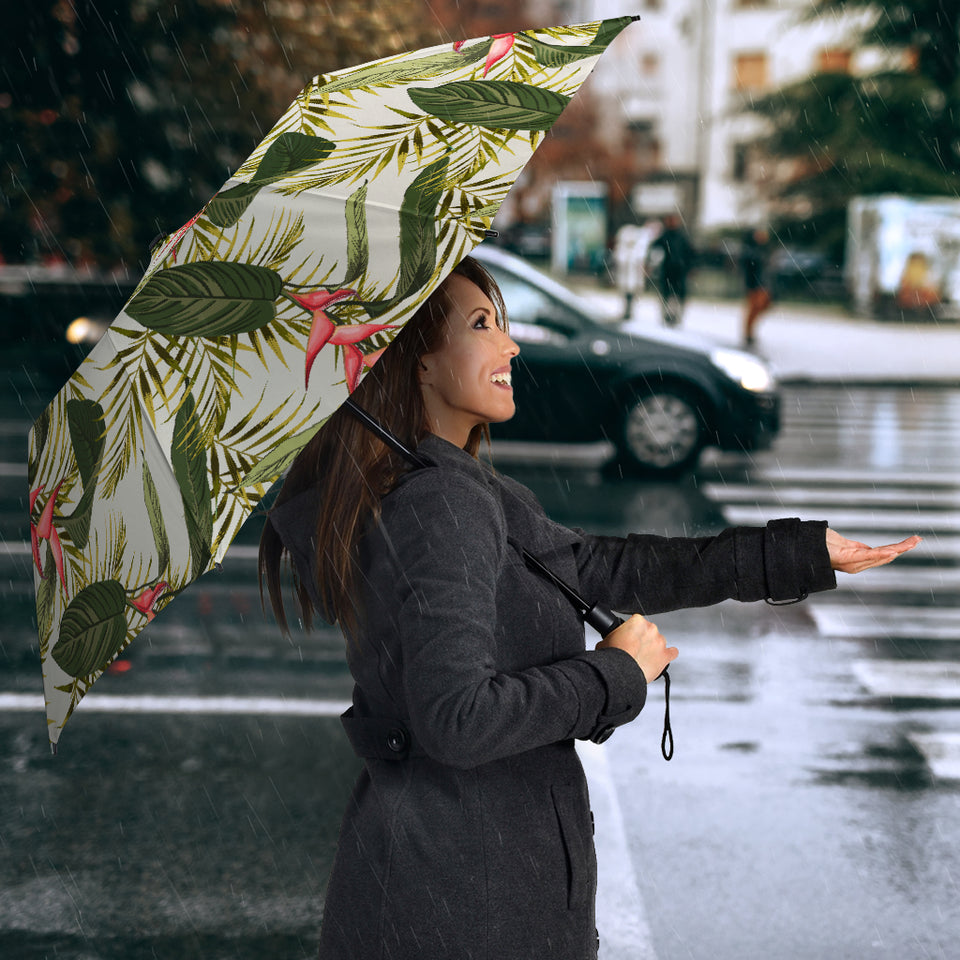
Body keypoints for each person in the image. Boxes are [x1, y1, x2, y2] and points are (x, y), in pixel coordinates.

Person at [259, 256, 920, 960]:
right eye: (482, 325)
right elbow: (457, 719)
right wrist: (613, 674)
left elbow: (602, 568)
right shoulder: (440, 504)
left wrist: (795, 554)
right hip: (464, 901)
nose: (510, 345)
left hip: (458, 882)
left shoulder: (453, 488)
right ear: (418, 362)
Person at [648, 213, 695, 327]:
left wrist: (690, 267)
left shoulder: (681, 237)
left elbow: (690, 253)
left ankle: (675, 316)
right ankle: (667, 315)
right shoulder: (665, 236)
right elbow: (654, 249)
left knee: (677, 295)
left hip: (679, 271)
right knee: (667, 294)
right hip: (668, 270)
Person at [741, 226, 773, 347]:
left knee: (762, 306)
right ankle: (748, 333)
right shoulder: (751, 250)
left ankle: (750, 331)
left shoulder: (763, 249)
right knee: (754, 308)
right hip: (755, 284)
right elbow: (750, 265)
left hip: (763, 283)